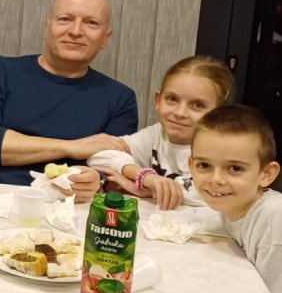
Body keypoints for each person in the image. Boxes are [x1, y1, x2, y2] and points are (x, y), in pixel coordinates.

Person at [0, 0, 137, 202]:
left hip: (71, 209)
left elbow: (114, 168)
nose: (76, 31)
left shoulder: (120, 98)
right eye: (65, 19)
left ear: (106, 38)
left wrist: (97, 180)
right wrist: (73, 148)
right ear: (47, 26)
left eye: (91, 23)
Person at [189, 104, 282, 293]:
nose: (216, 179)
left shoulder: (273, 218)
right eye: (204, 166)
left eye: (235, 168)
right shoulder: (235, 202)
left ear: (267, 174)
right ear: (190, 165)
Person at [88, 55, 234, 210]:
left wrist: (150, 190)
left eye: (197, 105)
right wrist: (144, 177)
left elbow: (219, 192)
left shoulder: (226, 148)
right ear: (158, 100)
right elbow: (99, 155)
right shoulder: (155, 134)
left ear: (220, 113)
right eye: (172, 99)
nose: (180, 113)